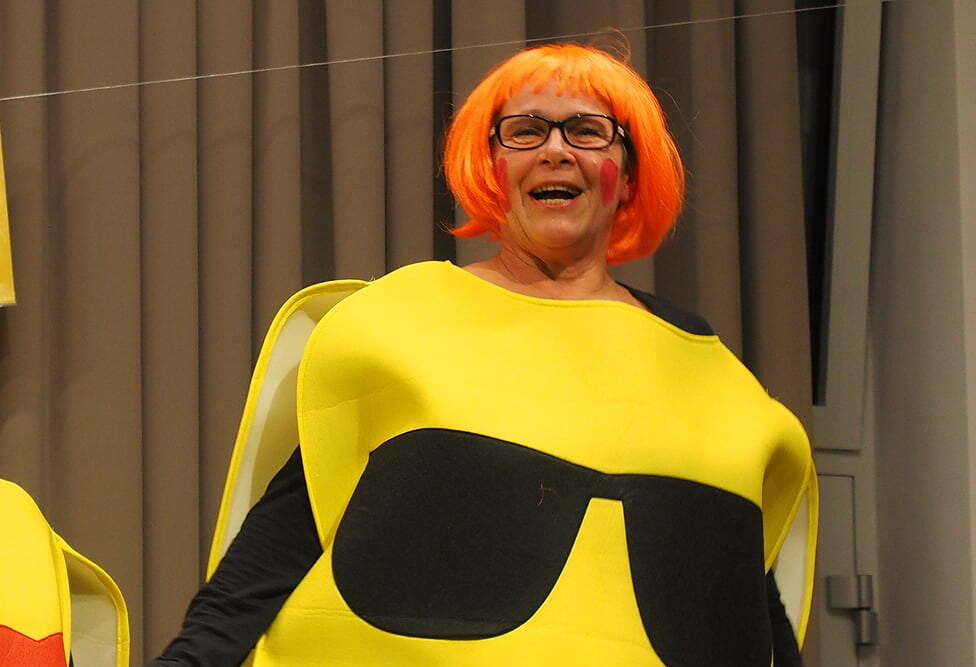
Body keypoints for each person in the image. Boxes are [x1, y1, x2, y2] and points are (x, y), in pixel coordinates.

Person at [152, 43, 816, 666]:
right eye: (525, 131)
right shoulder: (403, 320)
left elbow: (732, 584)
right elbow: (283, 539)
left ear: (631, 172)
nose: (555, 150)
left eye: (587, 131)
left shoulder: (701, 364)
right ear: (490, 164)